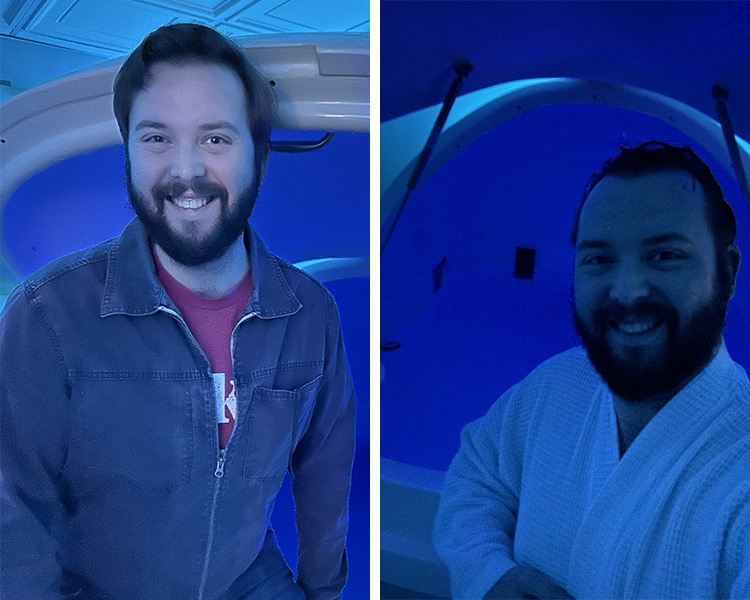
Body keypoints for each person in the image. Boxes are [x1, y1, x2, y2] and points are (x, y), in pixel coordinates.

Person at [0, 23, 355, 600]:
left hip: (248, 579)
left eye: (216, 139)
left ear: (260, 158)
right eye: (156, 138)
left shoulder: (311, 314)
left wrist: (323, 591)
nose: (185, 171)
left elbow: (325, 473)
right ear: (129, 155)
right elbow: (11, 514)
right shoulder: (46, 316)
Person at [434, 142, 750, 599]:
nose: (627, 292)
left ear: (728, 272)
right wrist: (487, 573)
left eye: (664, 255)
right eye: (600, 259)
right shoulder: (556, 384)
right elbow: (478, 472)